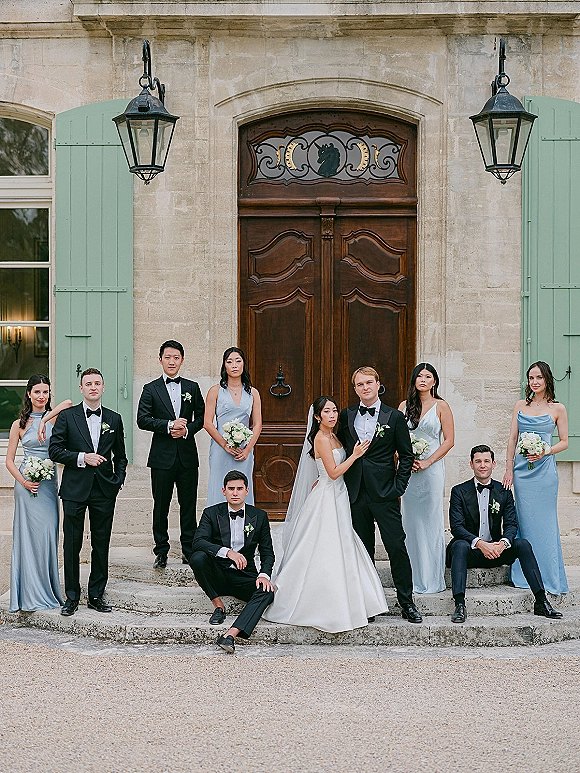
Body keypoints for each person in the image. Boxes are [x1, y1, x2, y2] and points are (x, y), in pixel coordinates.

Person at [263, 396, 388, 632]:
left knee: (345, 546)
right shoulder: (321, 438)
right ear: (317, 417)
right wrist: (355, 455)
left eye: (334, 410)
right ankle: (323, 605)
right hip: (328, 495)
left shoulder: (333, 435)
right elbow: (332, 473)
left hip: (339, 495)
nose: (332, 415)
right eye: (327, 412)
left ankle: (357, 602)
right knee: (326, 547)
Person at [338, 366, 422, 623]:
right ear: (355, 389)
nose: (365, 388)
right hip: (356, 493)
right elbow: (336, 448)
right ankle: (369, 603)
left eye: (369, 383)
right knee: (363, 551)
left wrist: (399, 486)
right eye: (360, 384)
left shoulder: (394, 417)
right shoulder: (346, 415)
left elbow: (407, 455)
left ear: (378, 384)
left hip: (385, 493)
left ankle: (406, 603)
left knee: (396, 547)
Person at [447, 444, 562, 623]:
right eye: (478, 461)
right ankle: (460, 605)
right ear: (471, 464)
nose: (482, 465)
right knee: (459, 544)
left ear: (494, 464)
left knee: (522, 544)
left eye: (486, 461)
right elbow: (457, 528)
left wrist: (502, 544)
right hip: (470, 551)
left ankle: (541, 600)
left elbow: (511, 524)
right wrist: (480, 543)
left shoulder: (504, 491)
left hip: (496, 551)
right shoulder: (459, 491)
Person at [49, 368, 128, 616]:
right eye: (88, 383)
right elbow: (55, 450)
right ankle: (72, 597)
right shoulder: (67, 416)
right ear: (81, 388)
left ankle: (96, 595)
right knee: (72, 545)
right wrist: (83, 457)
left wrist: (117, 481)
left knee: (101, 543)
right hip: (74, 489)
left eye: (97, 383)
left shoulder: (114, 419)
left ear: (103, 388)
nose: (93, 387)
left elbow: (122, 456)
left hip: (104, 490)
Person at [189, 470, 275, 654]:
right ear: (223, 491)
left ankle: (230, 634)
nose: (235, 492)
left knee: (268, 592)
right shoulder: (211, 513)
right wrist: (228, 553)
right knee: (197, 556)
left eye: (239, 488)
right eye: (231, 489)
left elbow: (267, 552)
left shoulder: (259, 516)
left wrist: (264, 575)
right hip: (218, 574)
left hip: (244, 576)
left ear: (246, 491)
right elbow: (198, 542)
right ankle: (218, 605)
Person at [6, 375, 71, 612]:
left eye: (45, 392)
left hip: (48, 485)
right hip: (26, 485)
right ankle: (28, 595)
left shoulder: (58, 418)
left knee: (47, 535)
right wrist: (23, 481)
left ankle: (48, 590)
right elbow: (10, 461)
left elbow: (69, 403)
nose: (41, 396)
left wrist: (45, 420)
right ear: (29, 394)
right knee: (26, 538)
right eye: (37, 392)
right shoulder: (18, 425)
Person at [137, 340, 205, 568]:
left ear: (182, 360)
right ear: (160, 360)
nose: (172, 361)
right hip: (161, 458)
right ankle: (161, 550)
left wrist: (186, 430)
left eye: (176, 357)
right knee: (161, 505)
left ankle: (189, 549)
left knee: (188, 504)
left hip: (187, 455)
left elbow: (202, 418)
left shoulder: (192, 387)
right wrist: (168, 426)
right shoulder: (150, 389)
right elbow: (142, 419)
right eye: (168, 357)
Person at [503, 361, 569, 596]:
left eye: (539, 377)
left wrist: (545, 451)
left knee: (546, 523)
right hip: (522, 472)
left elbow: (564, 441)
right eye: (531, 378)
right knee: (525, 521)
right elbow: (512, 438)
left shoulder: (558, 408)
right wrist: (509, 468)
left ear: (547, 379)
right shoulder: (520, 405)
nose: (535, 382)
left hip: (544, 472)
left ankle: (549, 575)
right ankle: (523, 573)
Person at [399, 363, 454, 594]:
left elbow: (449, 440)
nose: (423, 379)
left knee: (430, 520)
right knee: (410, 522)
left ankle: (432, 578)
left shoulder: (441, 406)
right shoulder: (404, 406)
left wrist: (428, 461)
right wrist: (405, 459)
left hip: (431, 471)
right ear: (414, 380)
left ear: (434, 381)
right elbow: (396, 437)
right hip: (409, 470)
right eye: (419, 376)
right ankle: (413, 577)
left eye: (428, 376)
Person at [204, 347, 261, 507]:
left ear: (244, 364)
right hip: (220, 449)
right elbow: (207, 423)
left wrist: (248, 449)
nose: (234, 365)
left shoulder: (253, 393)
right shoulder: (215, 391)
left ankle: (244, 527)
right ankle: (216, 527)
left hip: (243, 450)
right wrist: (225, 445)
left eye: (238, 361)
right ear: (224, 366)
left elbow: (257, 424)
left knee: (243, 486)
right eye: (230, 361)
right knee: (219, 485)